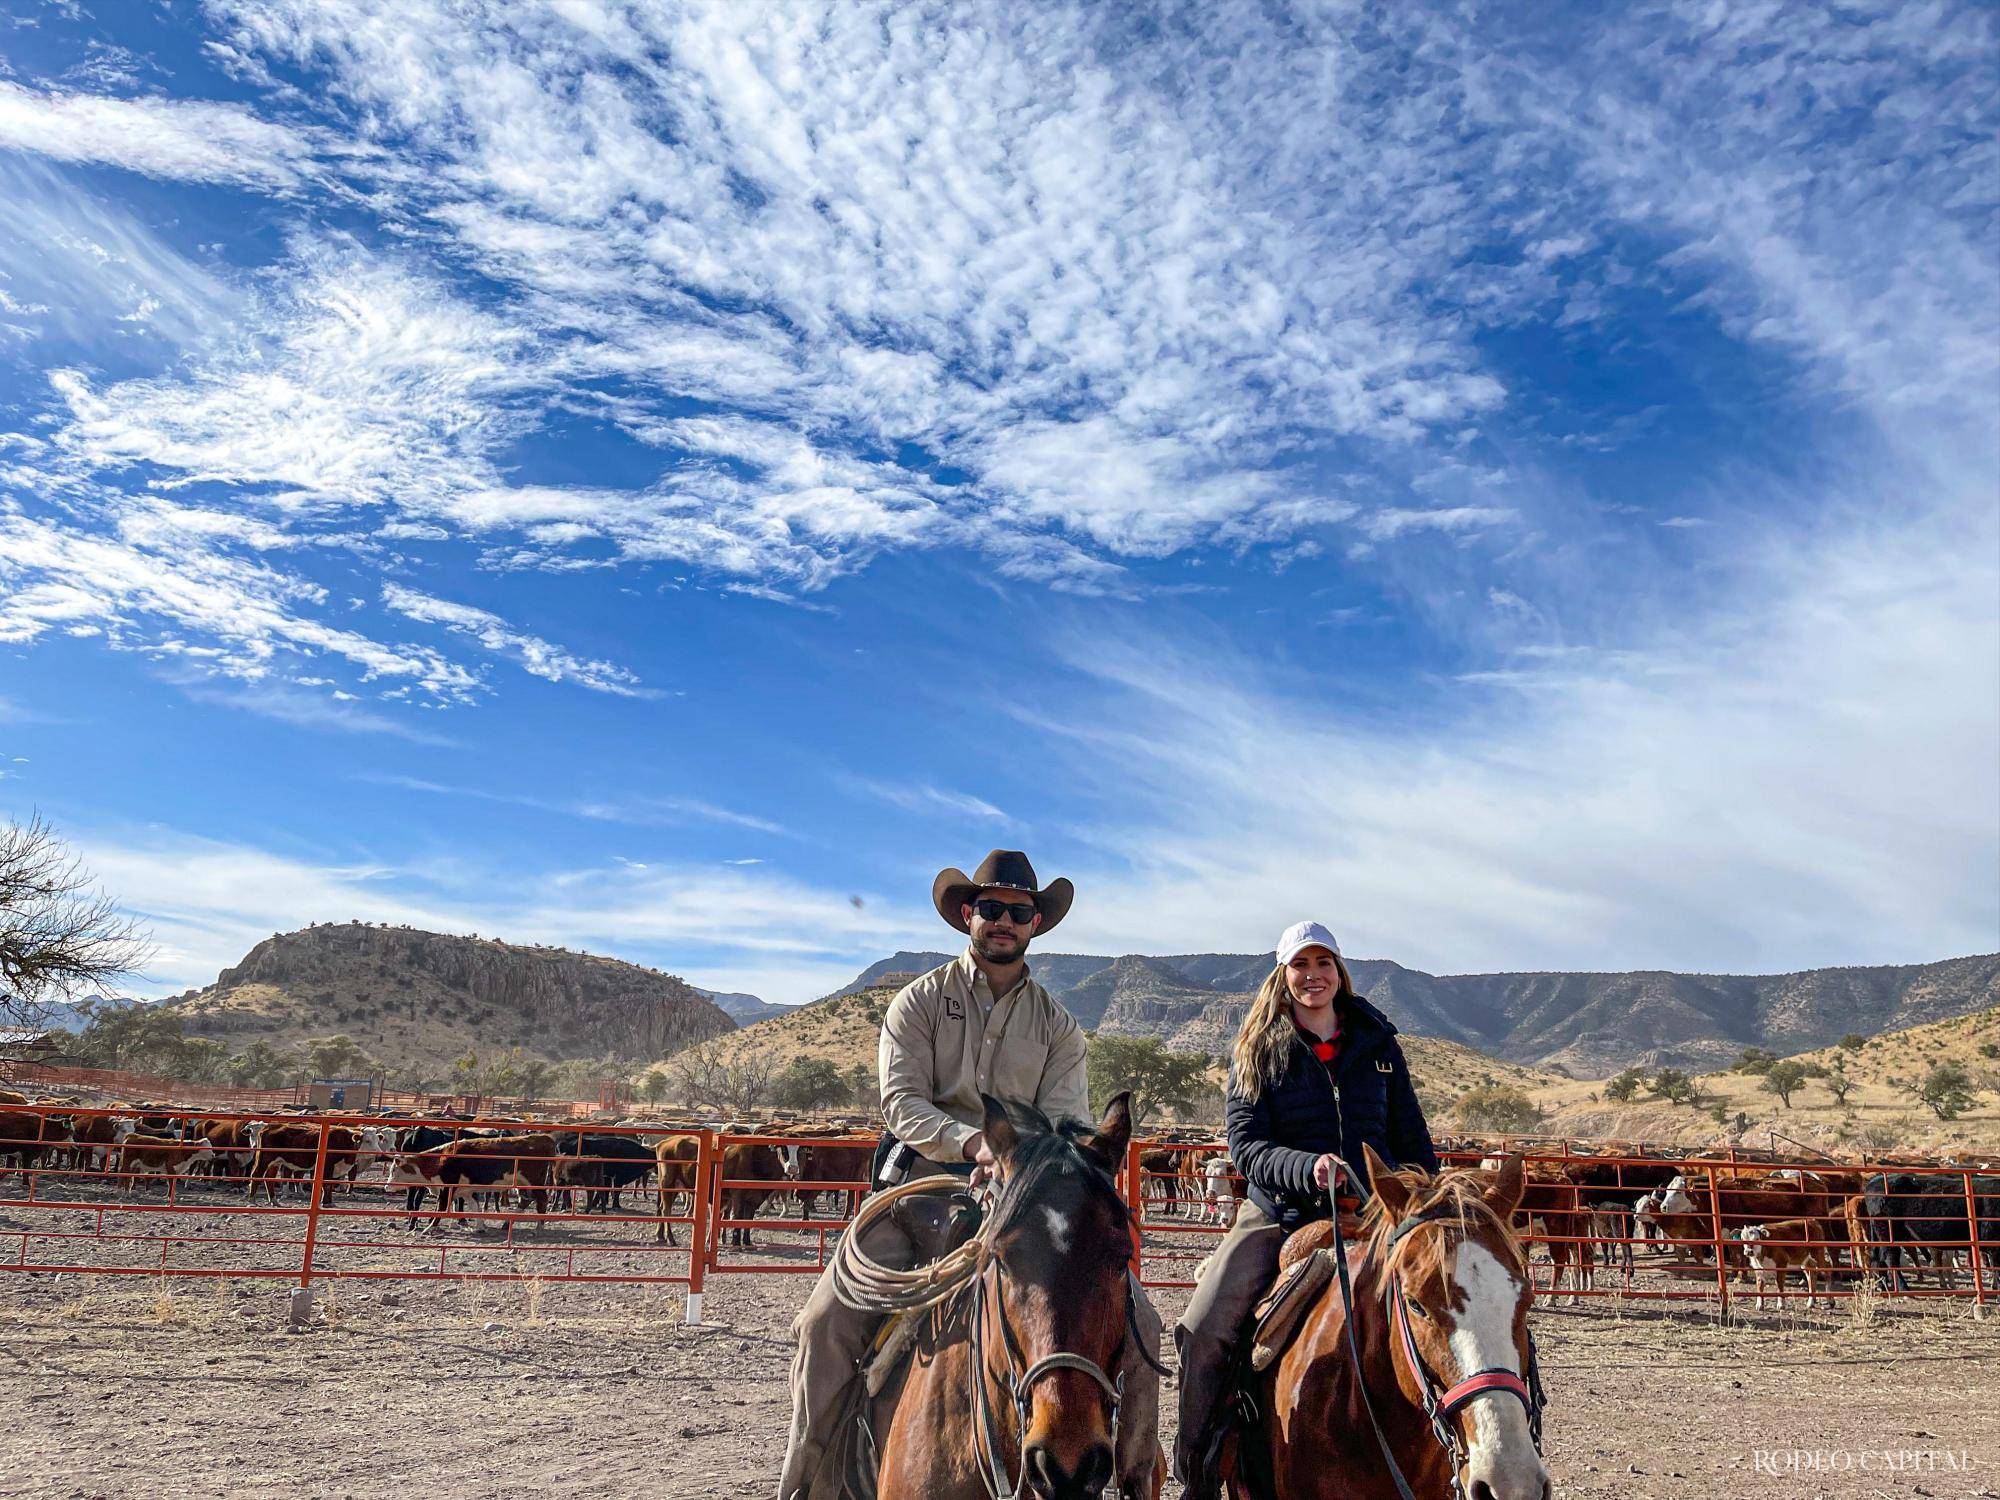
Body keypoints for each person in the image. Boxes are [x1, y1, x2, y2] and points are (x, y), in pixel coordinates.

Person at [779, 849, 1161, 1500]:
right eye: (991, 908)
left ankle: (1133, 1481)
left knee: (1142, 1323)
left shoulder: (1059, 1029)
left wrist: (1023, 1163)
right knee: (825, 1323)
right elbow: (901, 1103)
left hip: (1020, 1203)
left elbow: (1065, 1125)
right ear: (967, 915)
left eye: (1019, 911)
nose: (1004, 921)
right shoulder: (917, 1003)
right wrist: (973, 1143)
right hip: (917, 1191)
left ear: (1036, 923)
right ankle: (804, 1484)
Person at [1172, 919, 1439, 1500]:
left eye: (1323, 964)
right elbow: (1247, 1145)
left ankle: (1500, 1450)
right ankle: (1197, 1467)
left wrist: (1420, 1198)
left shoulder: (1379, 1045)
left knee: (1472, 1304)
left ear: (1340, 972)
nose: (1312, 976)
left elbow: (1413, 1140)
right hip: (1281, 1213)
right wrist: (1307, 1168)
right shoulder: (1257, 1049)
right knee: (1205, 1324)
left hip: (1378, 1212)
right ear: (1283, 974)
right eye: (1300, 965)